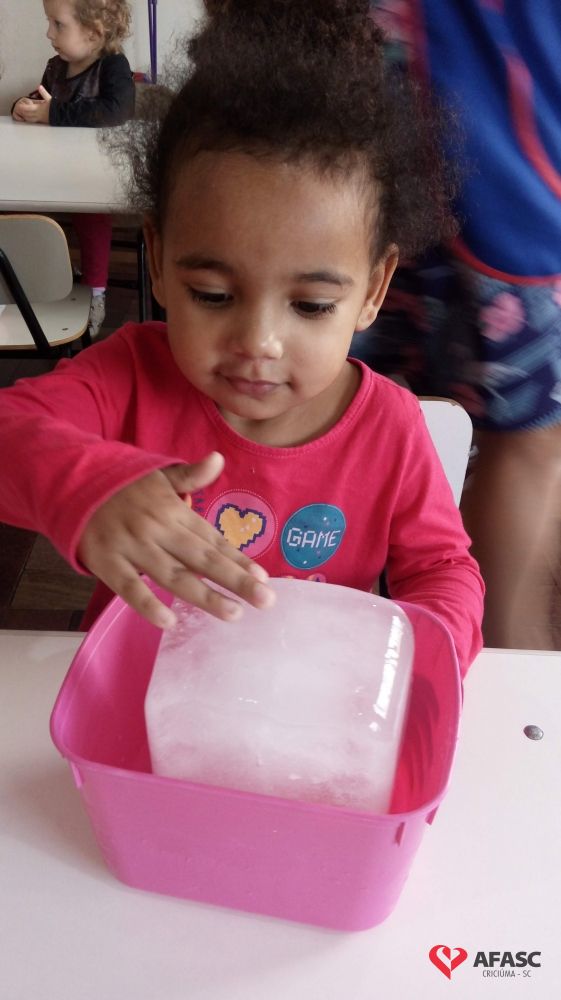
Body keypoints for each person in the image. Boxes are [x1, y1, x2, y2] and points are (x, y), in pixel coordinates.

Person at [0, 0, 484, 676]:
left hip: (307, 708)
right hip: (141, 696)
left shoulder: (392, 430)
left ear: (373, 290)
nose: (259, 342)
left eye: (310, 306)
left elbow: (442, 570)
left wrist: (423, 655)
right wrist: (84, 484)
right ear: (158, 260)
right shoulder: (128, 376)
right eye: (213, 295)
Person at [359, 0, 561, 650]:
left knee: (348, 401)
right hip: (494, 132)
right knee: (527, 439)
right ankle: (498, 658)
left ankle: (453, 638)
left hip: (389, 97)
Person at [11, 0, 135, 338]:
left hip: (92, 177)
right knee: (17, 208)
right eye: (48, 22)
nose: (48, 33)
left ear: (93, 32)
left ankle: (95, 291)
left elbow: (116, 111)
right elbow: (41, 100)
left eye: (58, 24)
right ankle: (28, 282)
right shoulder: (56, 67)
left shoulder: (113, 66)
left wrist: (51, 114)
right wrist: (24, 106)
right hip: (50, 169)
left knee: (90, 215)